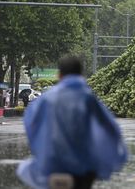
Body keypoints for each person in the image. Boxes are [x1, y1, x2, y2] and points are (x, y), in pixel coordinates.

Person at [17, 56, 128, 189]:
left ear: (59, 75)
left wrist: (41, 151)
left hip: (51, 166)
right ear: (81, 74)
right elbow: (109, 127)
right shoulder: (87, 98)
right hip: (82, 168)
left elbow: (31, 124)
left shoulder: (45, 99)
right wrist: (117, 156)